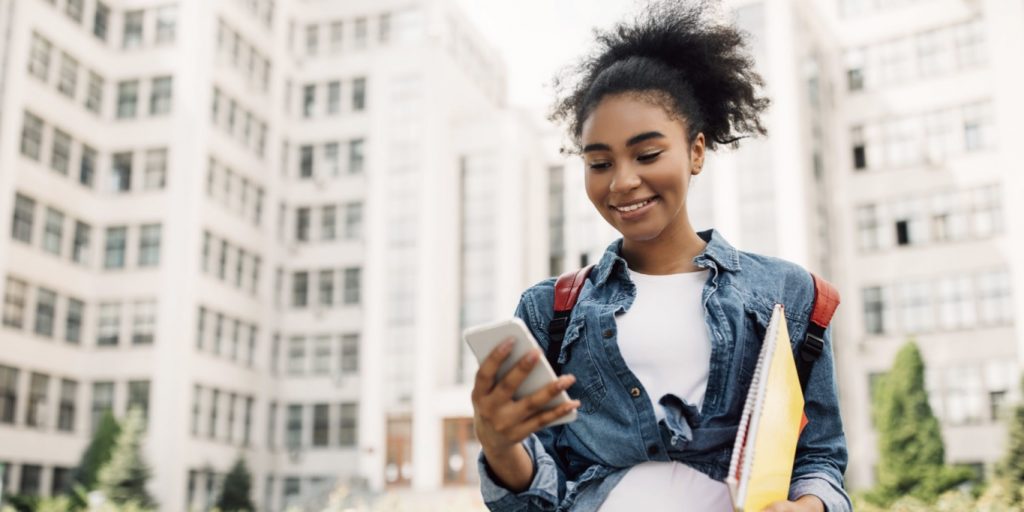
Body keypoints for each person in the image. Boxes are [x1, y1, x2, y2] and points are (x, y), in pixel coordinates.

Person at [470, 1, 851, 511]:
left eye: (647, 155)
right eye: (599, 162)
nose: (623, 181)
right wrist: (498, 444)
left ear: (696, 151)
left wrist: (810, 506)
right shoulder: (550, 312)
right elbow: (536, 500)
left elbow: (819, 457)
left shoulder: (787, 296)